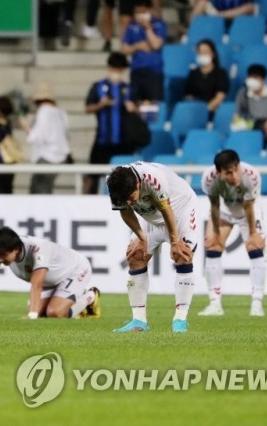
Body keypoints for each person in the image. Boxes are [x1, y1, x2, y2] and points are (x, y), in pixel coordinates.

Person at [106, 161, 198, 333]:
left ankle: (180, 320)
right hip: (152, 217)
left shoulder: (153, 178)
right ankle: (139, 321)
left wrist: (175, 241)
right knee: (135, 256)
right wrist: (141, 237)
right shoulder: (115, 184)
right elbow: (125, 211)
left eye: (131, 196)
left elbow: (166, 210)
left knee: (182, 255)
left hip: (180, 210)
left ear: (138, 184)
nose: (129, 202)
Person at [0, 227, 101, 320]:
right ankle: (67, 300)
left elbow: (37, 283)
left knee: (55, 313)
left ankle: (90, 296)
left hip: (74, 270)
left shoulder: (37, 248)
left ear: (16, 249)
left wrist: (32, 316)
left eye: (3, 255)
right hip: (50, 280)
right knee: (41, 312)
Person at [199, 150, 266, 317]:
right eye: (229, 172)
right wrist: (214, 232)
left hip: (249, 213)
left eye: (236, 169)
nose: (234, 175)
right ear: (219, 172)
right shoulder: (209, 179)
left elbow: (248, 206)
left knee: (254, 247)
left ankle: (257, 304)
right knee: (213, 246)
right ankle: (215, 304)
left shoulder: (251, 176)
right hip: (225, 211)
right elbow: (214, 206)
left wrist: (253, 233)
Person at [84, 52, 136, 194]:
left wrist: (133, 108)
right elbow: (88, 108)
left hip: (123, 140)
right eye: (114, 69)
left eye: (120, 69)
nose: (117, 72)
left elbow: (139, 110)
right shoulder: (98, 86)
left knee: (125, 177)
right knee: (92, 174)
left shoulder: (128, 88)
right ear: (109, 68)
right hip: (102, 139)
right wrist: (101, 104)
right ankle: (83, 200)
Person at [25, 83, 71, 194]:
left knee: (39, 191)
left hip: (47, 157)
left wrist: (26, 127)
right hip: (61, 157)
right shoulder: (61, 112)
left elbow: (36, 137)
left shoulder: (43, 112)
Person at [121, 0, 166, 104]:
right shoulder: (131, 26)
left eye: (143, 12)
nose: (140, 15)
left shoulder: (159, 24)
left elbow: (156, 45)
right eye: (137, 12)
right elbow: (124, 48)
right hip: (136, 71)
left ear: (149, 10)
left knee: (154, 104)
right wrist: (138, 46)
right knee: (136, 104)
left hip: (154, 71)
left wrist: (148, 28)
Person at [234, 64, 267, 144]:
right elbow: (237, 114)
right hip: (249, 130)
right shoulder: (242, 94)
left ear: (264, 79)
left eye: (255, 78)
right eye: (250, 77)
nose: (252, 81)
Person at [184, 39, 229, 119]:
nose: (202, 55)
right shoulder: (193, 73)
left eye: (206, 52)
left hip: (212, 111)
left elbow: (220, 96)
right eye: (200, 52)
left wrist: (206, 109)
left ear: (213, 54)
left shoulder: (221, 73)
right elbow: (188, 95)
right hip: (194, 111)